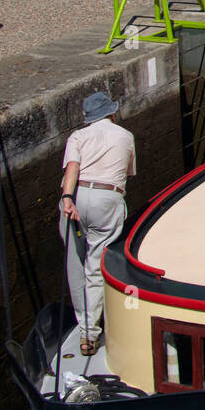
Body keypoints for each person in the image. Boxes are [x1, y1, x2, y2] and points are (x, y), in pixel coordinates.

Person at [59, 91, 135, 356]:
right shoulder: (125, 136)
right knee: (95, 265)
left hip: (77, 196)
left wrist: (68, 198)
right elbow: (128, 173)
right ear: (112, 114)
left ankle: (84, 323)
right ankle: (90, 334)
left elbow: (72, 168)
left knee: (75, 265)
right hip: (107, 197)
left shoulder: (77, 137)